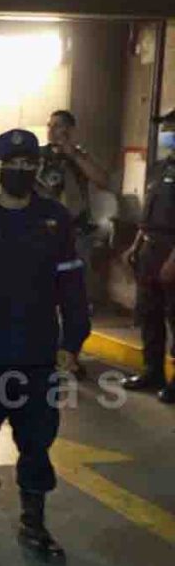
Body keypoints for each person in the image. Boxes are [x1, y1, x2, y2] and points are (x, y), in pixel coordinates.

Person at [0, 129, 90, 562]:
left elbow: (72, 288)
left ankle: (34, 524)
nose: (20, 171)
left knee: (37, 443)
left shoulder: (55, 220)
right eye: (12, 164)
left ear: (36, 168)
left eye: (28, 163)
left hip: (37, 356)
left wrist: (72, 341)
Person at [121, 110, 175, 404]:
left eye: (171, 128)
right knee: (149, 313)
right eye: (166, 129)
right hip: (150, 250)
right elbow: (147, 214)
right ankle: (152, 372)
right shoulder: (159, 168)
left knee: (174, 316)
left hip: (171, 250)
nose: (167, 134)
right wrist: (135, 245)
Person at [38, 110, 111, 302]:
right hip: (44, 228)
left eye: (58, 126)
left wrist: (74, 155)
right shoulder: (39, 155)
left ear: (70, 130)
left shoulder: (79, 156)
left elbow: (103, 180)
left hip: (75, 229)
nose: (52, 130)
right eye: (49, 125)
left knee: (74, 279)